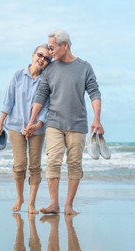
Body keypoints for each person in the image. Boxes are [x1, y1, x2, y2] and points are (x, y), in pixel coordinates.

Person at [25, 30, 104, 216]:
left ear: (65, 45)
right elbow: (41, 95)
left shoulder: (84, 67)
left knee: (75, 164)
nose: (50, 52)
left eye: (52, 48)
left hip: (77, 124)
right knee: (53, 161)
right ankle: (54, 204)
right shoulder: (50, 70)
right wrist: (32, 120)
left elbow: (94, 93)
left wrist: (97, 119)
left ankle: (68, 205)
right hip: (54, 123)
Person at [0, 44, 51, 214]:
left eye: (47, 58)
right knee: (19, 165)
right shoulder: (18, 75)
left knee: (35, 166)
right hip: (16, 126)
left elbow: (47, 106)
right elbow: (8, 100)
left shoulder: (46, 80)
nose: (42, 59)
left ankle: (31, 203)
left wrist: (39, 123)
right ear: (33, 55)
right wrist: (0, 123)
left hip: (37, 129)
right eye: (40, 55)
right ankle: (20, 197)